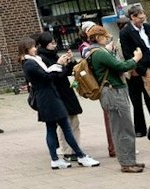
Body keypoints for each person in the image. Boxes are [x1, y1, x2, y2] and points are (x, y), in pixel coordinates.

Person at [21, 37, 98, 170]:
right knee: (64, 128)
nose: (35, 49)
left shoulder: (35, 61)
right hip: (47, 98)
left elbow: (50, 75)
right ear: (27, 48)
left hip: (49, 97)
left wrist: (61, 65)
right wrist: (59, 64)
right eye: (33, 47)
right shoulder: (29, 63)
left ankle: (57, 159)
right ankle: (80, 156)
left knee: (52, 128)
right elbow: (47, 77)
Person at [83, 25, 143, 172]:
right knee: (122, 128)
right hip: (113, 92)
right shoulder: (99, 53)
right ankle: (127, 163)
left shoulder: (96, 52)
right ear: (98, 38)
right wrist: (135, 59)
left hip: (112, 92)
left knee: (124, 127)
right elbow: (120, 66)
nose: (107, 38)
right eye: (104, 36)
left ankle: (130, 161)